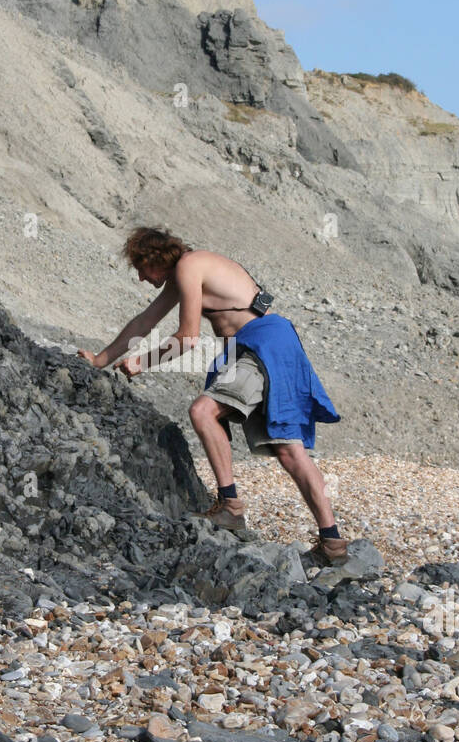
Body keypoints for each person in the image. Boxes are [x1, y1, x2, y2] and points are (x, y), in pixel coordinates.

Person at [77, 226, 348, 567]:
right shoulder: (187, 271)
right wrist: (101, 360)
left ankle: (231, 506)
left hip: (261, 343)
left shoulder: (190, 265)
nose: (142, 279)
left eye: (142, 269)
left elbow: (188, 338)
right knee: (289, 451)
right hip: (273, 345)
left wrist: (143, 362)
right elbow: (144, 322)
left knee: (203, 412)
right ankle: (332, 543)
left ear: (153, 258)